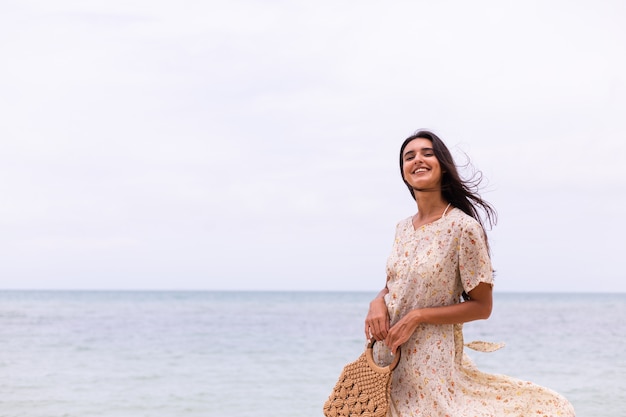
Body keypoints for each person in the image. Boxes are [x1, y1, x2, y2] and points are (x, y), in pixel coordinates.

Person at [364, 130, 575, 416]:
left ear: (443, 166)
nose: (418, 160)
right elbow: (396, 285)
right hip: (386, 357)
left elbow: (482, 307)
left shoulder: (463, 228)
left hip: (431, 364)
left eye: (428, 153)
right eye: (409, 156)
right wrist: (377, 301)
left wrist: (417, 316)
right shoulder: (402, 228)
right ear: (403, 173)